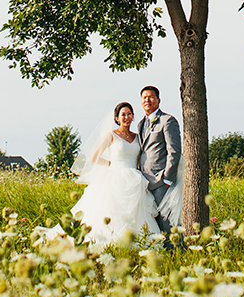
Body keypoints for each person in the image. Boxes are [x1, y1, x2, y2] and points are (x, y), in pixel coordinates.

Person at [71, 101, 162, 246]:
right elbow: (94, 157)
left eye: (129, 114)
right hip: (115, 177)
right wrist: (111, 163)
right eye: (123, 115)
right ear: (117, 118)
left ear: (133, 116)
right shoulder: (111, 135)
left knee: (136, 214)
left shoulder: (138, 136)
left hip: (135, 179)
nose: (126, 117)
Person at [137, 85, 183, 232]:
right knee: (152, 223)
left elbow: (174, 151)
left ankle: (176, 252)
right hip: (144, 182)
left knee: (167, 222)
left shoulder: (167, 121)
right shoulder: (140, 123)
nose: (147, 100)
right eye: (144, 98)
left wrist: (167, 179)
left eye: (151, 97)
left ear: (158, 99)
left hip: (161, 181)